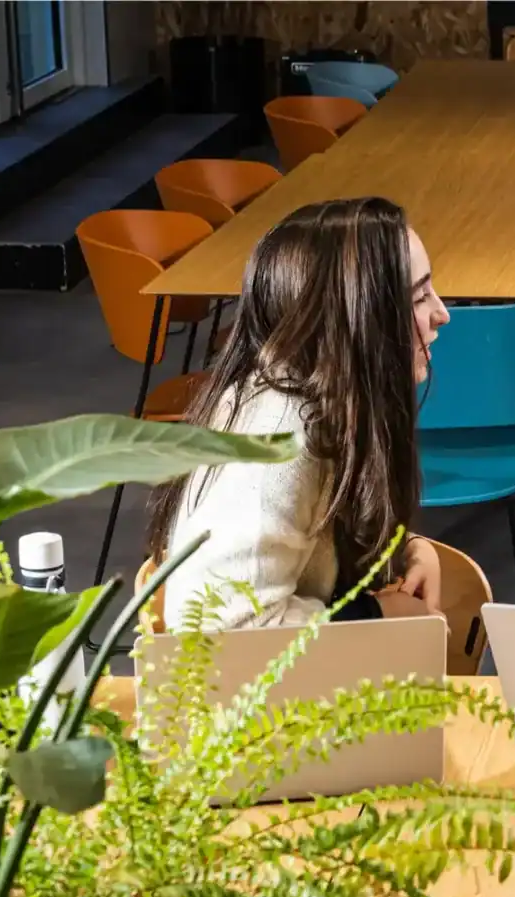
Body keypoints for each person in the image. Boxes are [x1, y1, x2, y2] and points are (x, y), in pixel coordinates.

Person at [145, 197, 451, 632]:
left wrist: (407, 550)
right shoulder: (280, 435)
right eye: (419, 297)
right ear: (355, 317)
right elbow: (225, 631)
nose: (442, 313)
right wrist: (375, 616)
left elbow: (315, 535)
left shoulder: (325, 395)